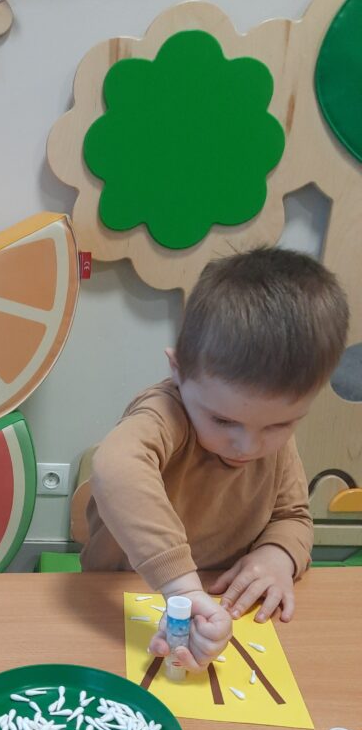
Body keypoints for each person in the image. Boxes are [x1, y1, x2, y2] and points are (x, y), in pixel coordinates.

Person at [81, 247, 349, 672]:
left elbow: (293, 516)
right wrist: (181, 587)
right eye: (223, 420)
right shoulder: (165, 412)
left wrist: (278, 555)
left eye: (280, 425)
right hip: (125, 591)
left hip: (222, 605)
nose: (248, 445)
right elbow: (116, 467)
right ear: (178, 371)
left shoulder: (265, 436)